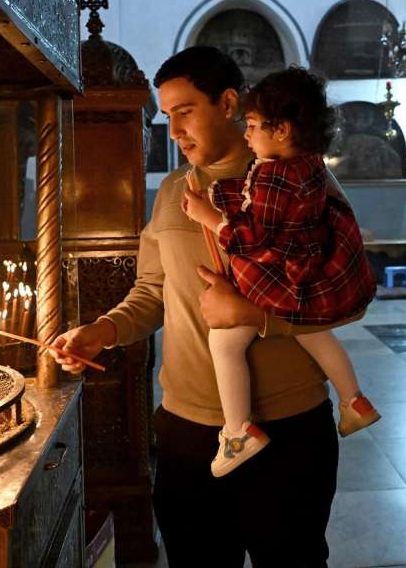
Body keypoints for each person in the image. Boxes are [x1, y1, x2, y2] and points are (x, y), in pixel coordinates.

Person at [49, 46, 358, 567]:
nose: (173, 130)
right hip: (188, 432)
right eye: (167, 115)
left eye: (185, 111)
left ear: (229, 103)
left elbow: (346, 298)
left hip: (288, 426)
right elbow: (152, 291)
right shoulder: (173, 192)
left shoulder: (302, 182)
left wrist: (255, 317)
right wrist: (103, 331)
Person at [182, 67, 379, 477]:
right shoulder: (309, 167)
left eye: (254, 126)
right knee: (313, 332)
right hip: (305, 270)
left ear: (283, 130)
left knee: (223, 342)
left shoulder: (274, 175)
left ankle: (237, 432)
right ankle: (354, 399)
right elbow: (268, 209)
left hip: (279, 277)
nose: (247, 135)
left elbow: (255, 237)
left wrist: (208, 216)